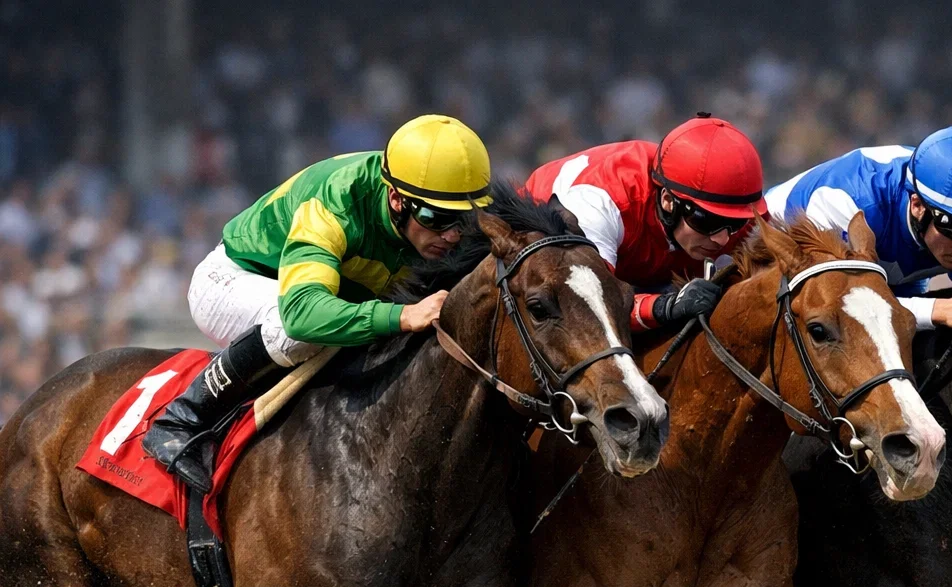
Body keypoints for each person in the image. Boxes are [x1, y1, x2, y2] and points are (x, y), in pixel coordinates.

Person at [144, 114, 494, 492]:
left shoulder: (431, 200)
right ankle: (182, 418)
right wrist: (403, 315)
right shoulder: (336, 201)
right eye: (435, 217)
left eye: (464, 220)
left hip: (328, 295)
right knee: (304, 333)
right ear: (396, 198)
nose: (452, 235)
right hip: (238, 281)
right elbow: (302, 313)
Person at [524, 114, 766, 333]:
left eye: (734, 224)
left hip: (636, 271)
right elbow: (584, 311)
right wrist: (665, 307)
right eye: (708, 221)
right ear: (669, 201)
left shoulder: (742, 210)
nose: (722, 239)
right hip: (551, 277)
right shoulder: (598, 206)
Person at [764, 126, 952, 331]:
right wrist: (938, 310)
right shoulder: (847, 204)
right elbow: (840, 307)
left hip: (890, 275)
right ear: (918, 206)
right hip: (775, 265)